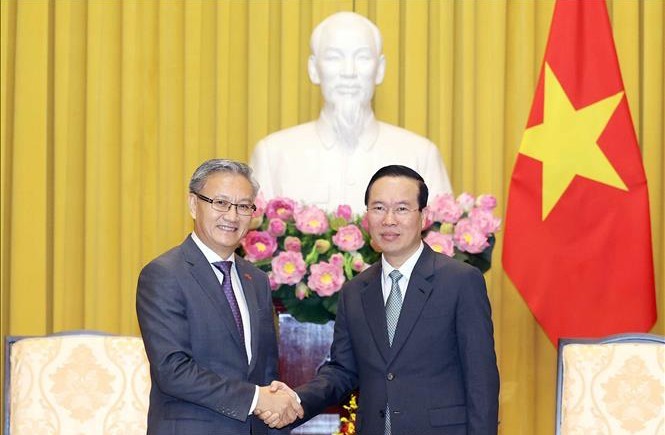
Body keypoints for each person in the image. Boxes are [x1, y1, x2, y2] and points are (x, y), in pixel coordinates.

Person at [261, 165, 499, 434]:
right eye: (378, 208)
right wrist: (296, 400)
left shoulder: (460, 280)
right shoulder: (355, 291)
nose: (389, 220)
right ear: (367, 217)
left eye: (401, 208)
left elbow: (481, 379)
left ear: (424, 217)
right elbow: (342, 371)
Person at [136, 159, 303, 435]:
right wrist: (256, 398)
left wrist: (275, 408)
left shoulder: (257, 280)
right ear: (193, 204)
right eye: (221, 203)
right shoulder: (164, 274)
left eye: (243, 206)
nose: (232, 216)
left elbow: (266, 372)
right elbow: (173, 370)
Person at [250, 12, 452, 213]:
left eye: (362, 57)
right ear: (313, 69)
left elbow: (440, 238)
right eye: (333, 58)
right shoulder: (273, 154)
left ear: (380, 69)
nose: (349, 72)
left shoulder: (420, 155)